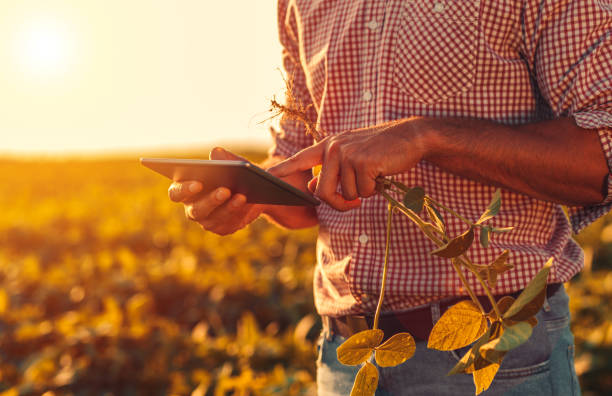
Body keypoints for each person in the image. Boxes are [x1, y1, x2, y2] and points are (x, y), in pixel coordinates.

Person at [168, 1, 611, 394]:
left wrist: (427, 136)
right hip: (348, 358)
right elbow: (306, 192)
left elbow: (602, 155)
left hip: (497, 356)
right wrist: (248, 194)